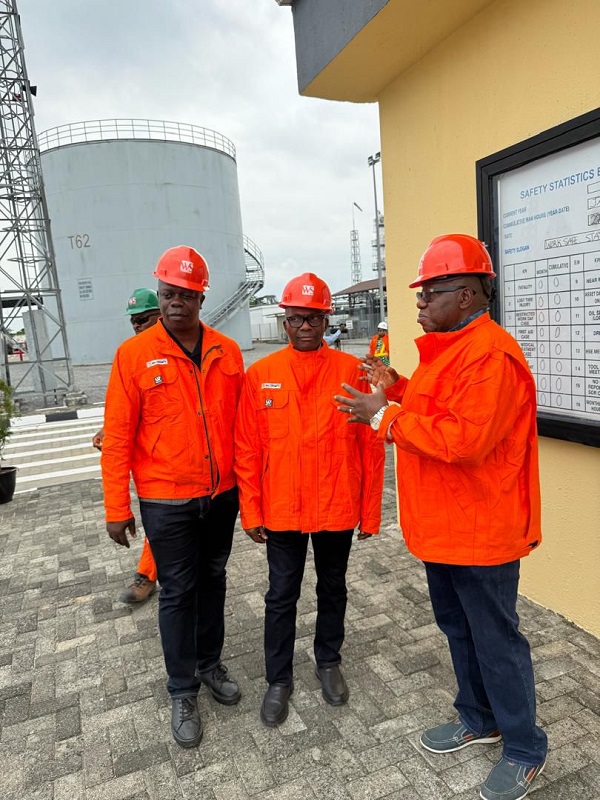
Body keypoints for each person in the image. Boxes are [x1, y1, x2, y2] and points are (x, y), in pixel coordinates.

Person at [334, 234, 547, 800]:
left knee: (496, 640)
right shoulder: (450, 350)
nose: (420, 302)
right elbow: (437, 410)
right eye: (420, 293)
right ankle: (479, 718)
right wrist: (397, 388)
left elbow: (464, 441)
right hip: (445, 529)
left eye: (431, 292)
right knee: (459, 629)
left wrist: (383, 417)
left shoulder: (491, 356)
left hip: (481, 530)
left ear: (469, 294)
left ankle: (525, 748)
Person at [100, 246, 244, 749]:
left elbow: (243, 429)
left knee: (214, 581)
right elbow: (118, 435)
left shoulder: (227, 351)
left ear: (201, 297)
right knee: (179, 592)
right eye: (167, 294)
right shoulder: (134, 356)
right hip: (166, 500)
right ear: (159, 295)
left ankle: (209, 663)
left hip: (221, 495)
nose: (175, 302)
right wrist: (116, 507)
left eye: (185, 294)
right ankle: (182, 690)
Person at [235, 272, 385, 727]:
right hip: (282, 509)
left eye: (314, 318)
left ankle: (328, 660)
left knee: (332, 588)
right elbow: (247, 448)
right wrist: (251, 510)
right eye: (297, 318)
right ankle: (278, 679)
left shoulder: (351, 372)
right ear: (285, 321)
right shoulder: (261, 375)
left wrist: (370, 511)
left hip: (336, 505)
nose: (305, 327)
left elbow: (371, 446)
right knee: (281, 595)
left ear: (326, 321)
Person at [92, 287, 161, 604]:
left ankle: (148, 575)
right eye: (133, 320)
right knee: (161, 527)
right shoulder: (131, 354)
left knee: (165, 529)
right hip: (148, 464)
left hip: (175, 469)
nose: (137, 325)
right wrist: (108, 430)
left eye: (143, 319)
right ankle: (151, 573)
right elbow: (125, 410)